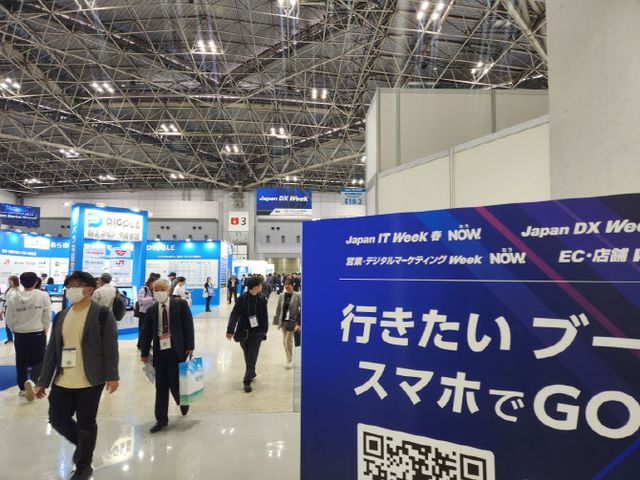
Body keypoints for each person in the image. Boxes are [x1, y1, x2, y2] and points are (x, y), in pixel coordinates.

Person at [34, 271, 119, 480]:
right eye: (70, 285)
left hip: (91, 379)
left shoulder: (101, 314)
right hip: (63, 378)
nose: (73, 289)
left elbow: (110, 347)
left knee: (86, 423)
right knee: (57, 418)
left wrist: (112, 375)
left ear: (90, 289)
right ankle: (84, 446)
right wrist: (43, 381)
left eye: (78, 285)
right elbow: (52, 350)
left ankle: (83, 465)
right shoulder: (62, 315)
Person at [140, 279, 195, 433]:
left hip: (177, 350)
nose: (159, 292)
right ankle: (161, 419)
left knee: (176, 382)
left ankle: (183, 401)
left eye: (162, 289)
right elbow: (146, 332)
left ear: (168, 290)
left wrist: (190, 346)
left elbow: (188, 325)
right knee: (161, 386)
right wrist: (144, 352)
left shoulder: (180, 304)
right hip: (159, 352)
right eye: (156, 290)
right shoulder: (152, 309)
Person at [5, 272, 52, 399]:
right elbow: (47, 313)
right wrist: (45, 328)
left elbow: (9, 317)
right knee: (39, 360)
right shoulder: (43, 295)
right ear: (36, 282)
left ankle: (22, 388)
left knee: (21, 361)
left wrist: (14, 328)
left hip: (20, 334)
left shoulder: (13, 297)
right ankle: (36, 384)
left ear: (21, 282)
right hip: (38, 332)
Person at [226, 275, 268, 393]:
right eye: (260, 284)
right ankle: (252, 372)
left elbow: (264, 317)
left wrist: (264, 331)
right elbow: (235, 314)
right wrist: (230, 330)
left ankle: (247, 381)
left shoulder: (262, 299)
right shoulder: (242, 298)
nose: (262, 286)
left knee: (252, 356)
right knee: (248, 354)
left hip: (257, 332)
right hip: (243, 332)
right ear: (255, 287)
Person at [273, 279, 301, 369]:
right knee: (284, 341)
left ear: (292, 285)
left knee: (288, 341)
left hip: (292, 321)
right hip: (283, 321)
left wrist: (299, 324)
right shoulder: (281, 295)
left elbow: (301, 310)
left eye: (288, 284)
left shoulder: (297, 295)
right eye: (285, 284)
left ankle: (289, 359)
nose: (286, 286)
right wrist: (277, 321)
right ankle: (288, 357)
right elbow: (278, 309)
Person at [137, 276, 155, 351]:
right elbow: (141, 300)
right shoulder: (144, 289)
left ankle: (147, 344)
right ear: (150, 282)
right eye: (153, 283)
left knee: (150, 330)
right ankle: (140, 345)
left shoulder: (154, 290)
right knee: (142, 330)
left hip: (151, 313)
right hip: (144, 313)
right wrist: (152, 298)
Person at [2, 276, 20, 344]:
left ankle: (17, 337)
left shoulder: (19, 289)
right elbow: (5, 298)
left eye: (10, 280)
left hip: (14, 308)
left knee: (15, 324)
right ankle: (10, 339)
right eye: (9, 280)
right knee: (7, 323)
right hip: (7, 307)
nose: (9, 281)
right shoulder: (9, 288)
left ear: (15, 281)